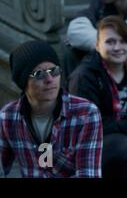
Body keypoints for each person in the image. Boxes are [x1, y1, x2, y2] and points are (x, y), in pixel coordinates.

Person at [68, 16, 127, 178]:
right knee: (124, 146)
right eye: (110, 42)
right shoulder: (84, 76)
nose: (118, 47)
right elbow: (89, 124)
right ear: (97, 45)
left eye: (123, 41)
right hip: (94, 144)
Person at [0, 40, 102, 178]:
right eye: (39, 74)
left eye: (54, 71)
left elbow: (88, 174)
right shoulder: (7, 117)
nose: (49, 79)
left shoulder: (86, 113)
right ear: (23, 82)